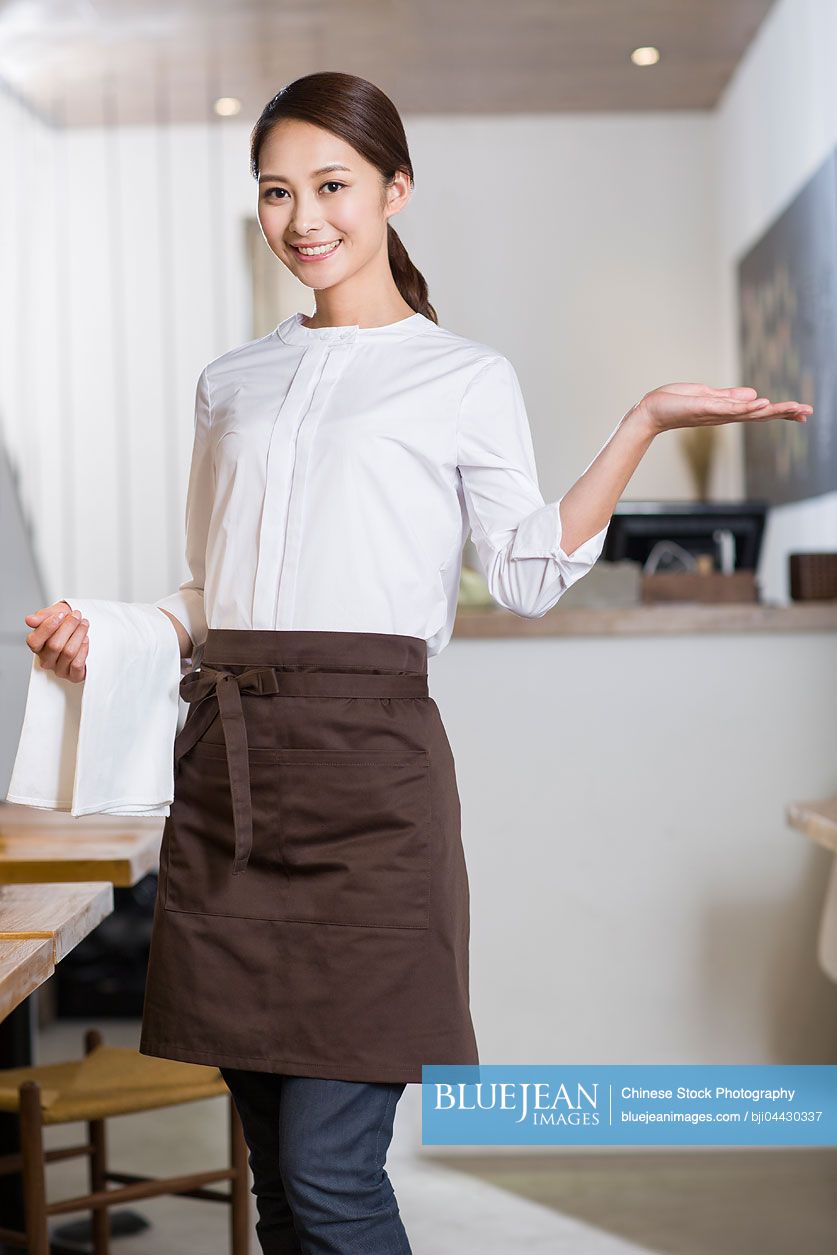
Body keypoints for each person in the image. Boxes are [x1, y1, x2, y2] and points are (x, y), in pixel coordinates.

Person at [24, 70, 813, 1255]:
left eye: (331, 185)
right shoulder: (230, 383)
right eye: (277, 192)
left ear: (395, 186)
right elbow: (207, 589)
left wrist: (639, 424)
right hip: (230, 788)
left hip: (371, 790)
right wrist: (117, 629)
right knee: (280, 1186)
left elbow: (532, 573)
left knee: (333, 1179)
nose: (304, 220)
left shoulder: (463, 378)